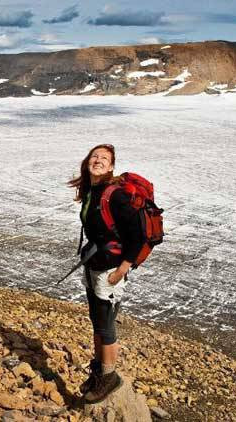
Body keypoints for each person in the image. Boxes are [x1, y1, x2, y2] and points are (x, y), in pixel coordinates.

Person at [68, 144, 144, 403]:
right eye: (94, 156)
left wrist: (122, 269)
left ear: (111, 167)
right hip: (94, 263)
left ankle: (110, 376)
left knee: (106, 324)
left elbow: (138, 235)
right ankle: (100, 369)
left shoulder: (116, 195)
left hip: (110, 268)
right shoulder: (92, 190)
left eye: (104, 158)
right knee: (97, 320)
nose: (98, 160)